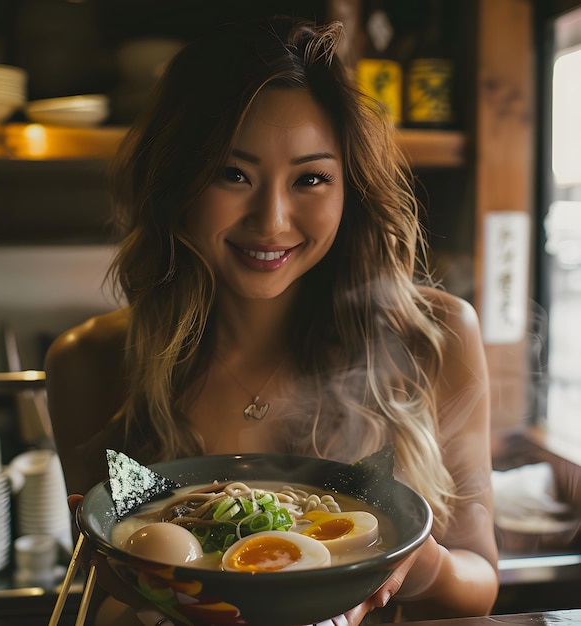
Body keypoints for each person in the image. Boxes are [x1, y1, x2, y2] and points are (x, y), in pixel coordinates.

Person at [45, 15, 499, 626]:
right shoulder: (91, 361)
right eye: (233, 174)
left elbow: (481, 581)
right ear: (177, 178)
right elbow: (104, 601)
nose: (273, 219)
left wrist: (421, 565)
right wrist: (149, 602)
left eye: (310, 178)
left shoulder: (434, 337)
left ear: (350, 189)